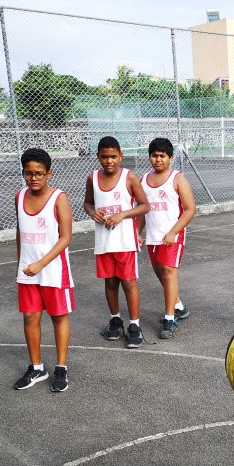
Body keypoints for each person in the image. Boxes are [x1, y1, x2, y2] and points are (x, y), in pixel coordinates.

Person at [14, 148, 74, 393]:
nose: (34, 178)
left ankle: (61, 368)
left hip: (53, 270)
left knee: (58, 317)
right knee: (30, 318)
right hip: (28, 271)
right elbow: (20, 231)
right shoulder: (19, 196)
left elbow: (66, 237)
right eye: (28, 173)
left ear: (48, 174)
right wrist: (21, 262)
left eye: (39, 173)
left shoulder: (59, 198)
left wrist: (41, 263)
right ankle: (37, 367)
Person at [84, 136, 150, 348]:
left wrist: (122, 215)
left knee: (128, 283)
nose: (109, 161)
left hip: (124, 242)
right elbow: (87, 203)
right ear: (98, 157)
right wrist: (93, 212)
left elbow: (144, 206)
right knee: (110, 282)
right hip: (104, 242)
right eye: (104, 157)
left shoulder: (129, 178)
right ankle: (115, 319)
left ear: (120, 156)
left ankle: (134, 324)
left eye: (113, 156)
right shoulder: (92, 178)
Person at [136, 137, 196, 339]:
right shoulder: (143, 180)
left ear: (170, 158)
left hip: (172, 236)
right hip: (153, 237)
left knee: (169, 272)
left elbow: (189, 210)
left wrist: (173, 232)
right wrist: (137, 233)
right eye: (154, 155)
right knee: (160, 273)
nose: (158, 159)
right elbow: (143, 211)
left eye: (162, 156)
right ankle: (178, 305)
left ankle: (170, 318)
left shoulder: (177, 179)